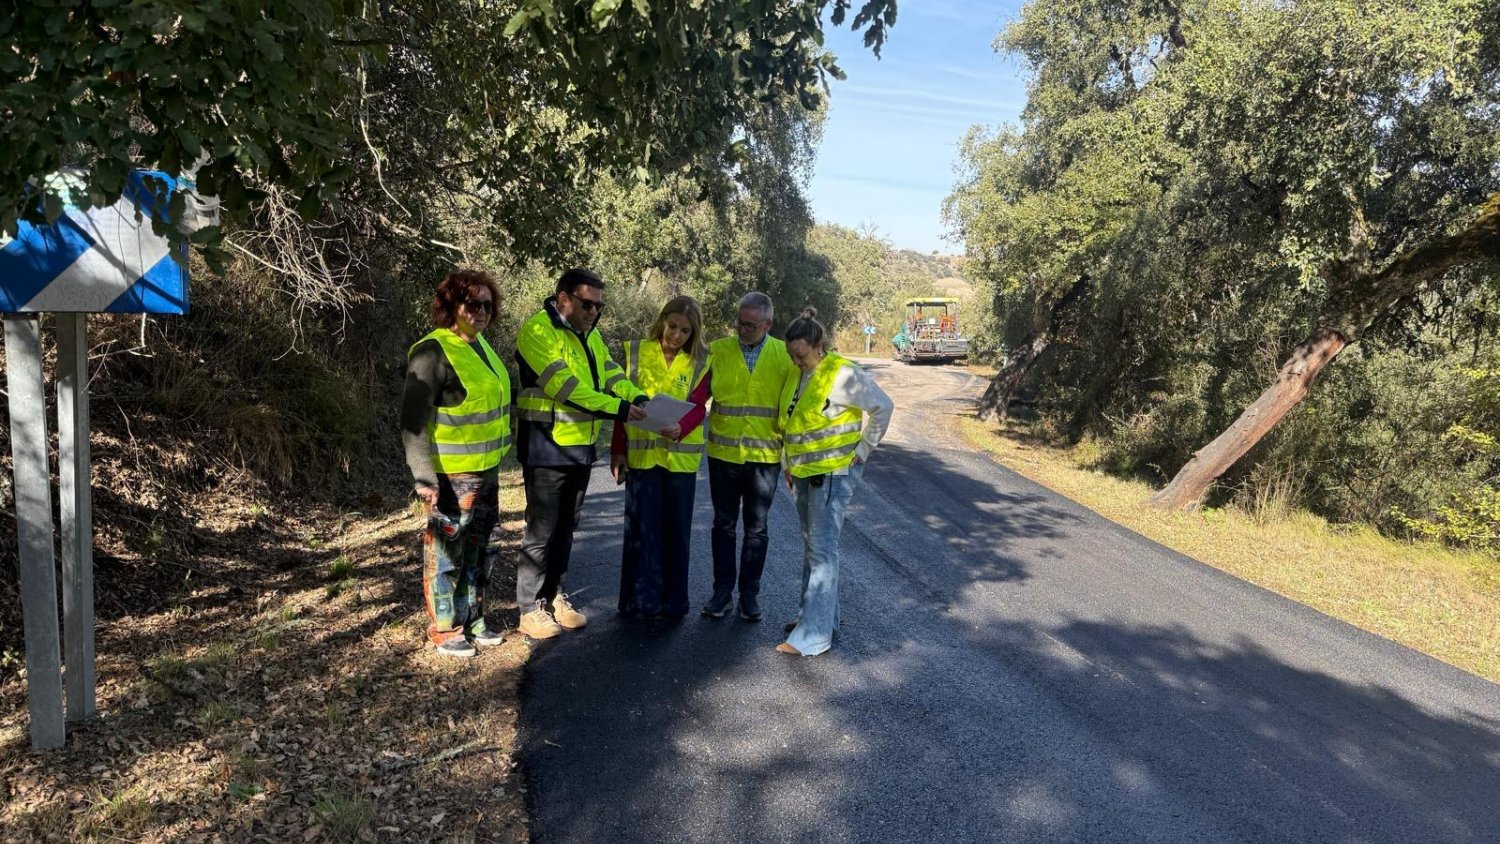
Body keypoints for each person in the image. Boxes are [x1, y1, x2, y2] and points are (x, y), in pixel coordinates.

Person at [514, 268, 648, 640]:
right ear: (563, 299)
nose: (593, 312)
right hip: (545, 445)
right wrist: (619, 409)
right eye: (587, 304)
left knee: (566, 529)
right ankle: (529, 608)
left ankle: (555, 595)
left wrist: (635, 397)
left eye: (598, 307)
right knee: (541, 529)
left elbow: (612, 375)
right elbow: (566, 389)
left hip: (580, 446)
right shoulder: (538, 331)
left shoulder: (591, 336)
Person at [400, 269, 514, 658]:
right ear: (452, 305)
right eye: (472, 304)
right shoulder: (432, 351)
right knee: (446, 554)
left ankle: (473, 619)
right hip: (450, 476)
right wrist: (423, 476)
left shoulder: (481, 346)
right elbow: (412, 421)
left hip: (487, 472)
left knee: (480, 550)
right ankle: (445, 629)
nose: (481, 311)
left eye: (487, 305)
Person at [777, 307, 893, 656]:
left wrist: (864, 450)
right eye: (792, 355)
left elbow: (883, 407)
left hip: (831, 476)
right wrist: (787, 462)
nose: (796, 362)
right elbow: (795, 422)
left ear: (818, 345)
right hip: (804, 474)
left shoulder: (842, 375)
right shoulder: (801, 374)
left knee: (822, 552)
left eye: (801, 355)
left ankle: (813, 636)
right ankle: (818, 618)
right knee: (813, 549)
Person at [609, 296, 711, 619]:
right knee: (641, 531)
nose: (676, 335)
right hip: (641, 459)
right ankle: (638, 602)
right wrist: (617, 449)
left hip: (679, 461)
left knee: (676, 533)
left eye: (685, 331)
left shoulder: (700, 361)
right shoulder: (635, 352)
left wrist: (681, 427)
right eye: (672, 326)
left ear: (693, 333)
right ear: (662, 321)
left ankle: (673, 603)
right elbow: (620, 403)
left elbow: (698, 405)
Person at [701, 292, 798, 622]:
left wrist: (793, 459)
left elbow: (795, 407)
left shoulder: (785, 357)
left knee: (757, 529)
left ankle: (750, 595)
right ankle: (722, 592)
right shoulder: (718, 350)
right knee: (723, 525)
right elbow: (696, 395)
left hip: (763, 458)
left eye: (751, 325)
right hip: (723, 454)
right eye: (739, 323)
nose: (742, 329)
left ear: (768, 324)